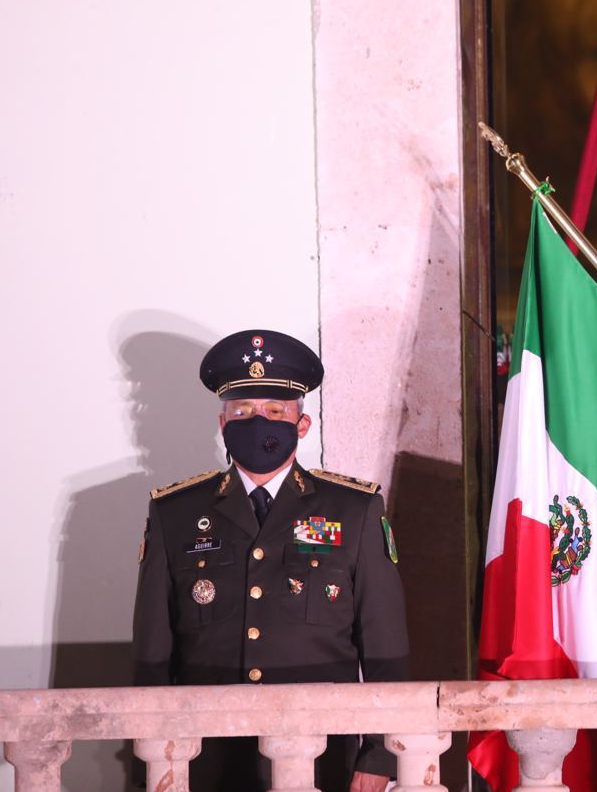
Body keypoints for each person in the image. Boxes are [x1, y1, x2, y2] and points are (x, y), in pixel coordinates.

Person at [132, 329, 409, 792]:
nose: (257, 421)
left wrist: (380, 754)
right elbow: (152, 654)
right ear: (222, 423)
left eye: (275, 411)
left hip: (322, 755)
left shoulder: (354, 510)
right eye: (242, 411)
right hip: (206, 760)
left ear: (302, 425)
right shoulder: (175, 514)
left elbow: (386, 645)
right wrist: (156, 754)